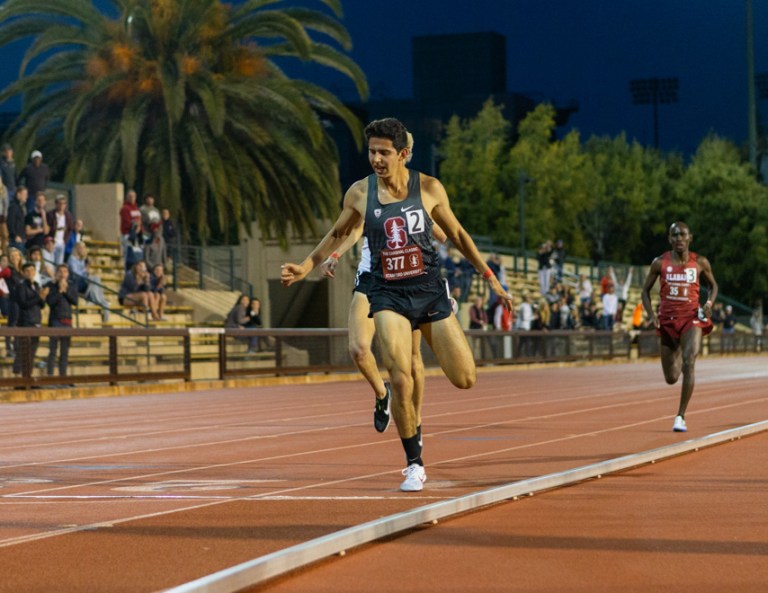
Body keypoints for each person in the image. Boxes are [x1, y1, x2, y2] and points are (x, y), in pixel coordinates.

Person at [281, 117, 513, 492]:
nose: (376, 159)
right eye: (372, 152)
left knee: (466, 378)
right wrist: (306, 265)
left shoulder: (430, 188)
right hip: (387, 293)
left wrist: (491, 279)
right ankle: (414, 463)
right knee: (401, 377)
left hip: (429, 290)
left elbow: (457, 234)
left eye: (384, 152)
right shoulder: (359, 193)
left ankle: (413, 438)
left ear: (403, 153)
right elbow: (338, 232)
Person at [641, 221, 718, 433]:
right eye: (674, 235)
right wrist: (651, 315)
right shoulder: (659, 263)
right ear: (669, 239)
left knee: (689, 361)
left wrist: (709, 304)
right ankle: (677, 352)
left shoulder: (700, 262)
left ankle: (680, 416)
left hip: (691, 318)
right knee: (671, 378)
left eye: (682, 235)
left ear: (689, 238)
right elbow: (644, 291)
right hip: (667, 320)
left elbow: (714, 286)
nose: (678, 239)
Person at [12, 262, 49, 376]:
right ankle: (17, 378)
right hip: (25, 322)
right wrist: (38, 297)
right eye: (27, 271)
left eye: (32, 270)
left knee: (32, 352)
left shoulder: (37, 285)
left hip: (36, 321)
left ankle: (28, 378)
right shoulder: (20, 286)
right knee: (22, 352)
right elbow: (23, 304)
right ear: (23, 273)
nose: (30, 273)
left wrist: (43, 297)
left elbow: (41, 305)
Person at [45, 264, 78, 378]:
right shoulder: (51, 285)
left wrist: (65, 291)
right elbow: (50, 302)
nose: (63, 274)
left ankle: (63, 377)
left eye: (65, 271)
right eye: (61, 271)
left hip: (67, 321)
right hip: (55, 320)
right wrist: (59, 290)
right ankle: (50, 377)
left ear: (68, 274)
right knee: (53, 351)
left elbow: (75, 301)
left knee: (64, 352)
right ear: (57, 273)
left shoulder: (72, 285)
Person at [68, 241, 111, 322]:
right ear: (76, 249)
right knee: (94, 279)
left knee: (96, 278)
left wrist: (86, 270)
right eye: (81, 248)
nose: (83, 250)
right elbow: (76, 273)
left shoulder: (82, 260)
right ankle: (99, 301)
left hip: (83, 282)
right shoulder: (72, 259)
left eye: (84, 248)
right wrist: (85, 269)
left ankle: (97, 301)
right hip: (75, 282)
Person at [46, 194, 75, 265]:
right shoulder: (50, 214)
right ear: (56, 204)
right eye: (60, 203)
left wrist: (65, 240)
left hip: (61, 243)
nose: (62, 205)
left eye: (63, 203)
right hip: (52, 242)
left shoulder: (68, 215)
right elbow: (47, 228)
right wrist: (56, 229)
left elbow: (70, 229)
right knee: (50, 262)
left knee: (59, 263)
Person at [6, 185, 27, 253]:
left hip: (20, 239)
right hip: (15, 240)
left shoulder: (20, 207)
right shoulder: (13, 207)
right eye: (25, 194)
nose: (26, 197)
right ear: (18, 194)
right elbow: (10, 222)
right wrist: (15, 235)